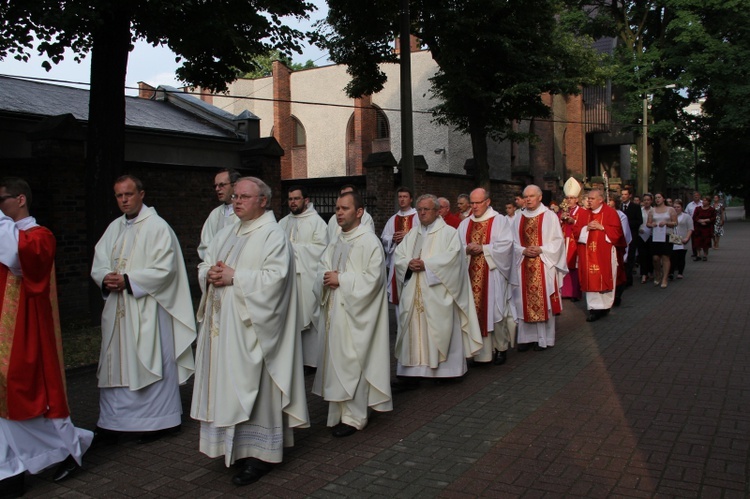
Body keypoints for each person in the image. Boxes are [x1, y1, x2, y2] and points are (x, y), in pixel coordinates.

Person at [191, 177, 309, 486]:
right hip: (224, 331)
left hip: (254, 334)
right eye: (235, 197)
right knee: (227, 387)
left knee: (256, 391)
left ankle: (259, 455)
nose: (236, 201)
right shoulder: (228, 232)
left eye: (244, 197)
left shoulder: (273, 236)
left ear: (263, 201)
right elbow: (205, 263)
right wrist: (210, 273)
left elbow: (276, 281)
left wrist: (234, 277)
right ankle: (235, 448)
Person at [0, 178, 93, 496]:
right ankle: (9, 471)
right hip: (4, 331)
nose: (1, 206)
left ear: (21, 199)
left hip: (25, 332)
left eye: (3, 200)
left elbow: (16, 258)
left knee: (21, 396)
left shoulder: (40, 235)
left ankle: (69, 446)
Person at [91, 175, 196, 445]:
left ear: (141, 194)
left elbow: (166, 269)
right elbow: (99, 260)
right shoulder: (114, 227)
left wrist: (128, 280)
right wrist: (105, 278)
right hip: (118, 309)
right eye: (119, 196)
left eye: (128, 194)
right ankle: (114, 422)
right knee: (118, 362)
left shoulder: (158, 227)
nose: (124, 200)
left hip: (148, 307)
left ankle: (161, 420)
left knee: (151, 360)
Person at [314, 191, 392, 438]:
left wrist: (342, 280)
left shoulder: (369, 242)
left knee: (354, 361)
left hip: (356, 316)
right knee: (338, 363)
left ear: (359, 212)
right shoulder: (337, 240)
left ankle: (356, 416)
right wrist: (325, 278)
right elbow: (322, 268)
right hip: (334, 313)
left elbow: (374, 280)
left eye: (344, 208)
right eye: (337, 208)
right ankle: (338, 413)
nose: (338, 213)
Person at [392, 195, 483, 387]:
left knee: (440, 328)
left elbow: (454, 260)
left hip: (438, 293)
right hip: (414, 293)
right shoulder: (412, 234)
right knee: (412, 331)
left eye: (426, 209)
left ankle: (446, 371)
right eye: (419, 210)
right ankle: (411, 373)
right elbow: (399, 257)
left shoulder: (449, 233)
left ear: (436, 211)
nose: (422, 213)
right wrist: (408, 263)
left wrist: (427, 265)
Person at [458, 188, 514, 365]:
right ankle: (477, 351)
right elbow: (455, 247)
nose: (474, 206)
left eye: (477, 202)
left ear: (487, 202)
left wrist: (484, 248)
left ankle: (500, 348)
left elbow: (506, 245)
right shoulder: (465, 224)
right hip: (470, 272)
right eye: (472, 203)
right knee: (473, 313)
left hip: (492, 273)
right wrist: (466, 249)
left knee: (496, 312)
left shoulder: (500, 221)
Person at [510, 185, 567, 351]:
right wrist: (523, 250)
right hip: (523, 265)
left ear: (540, 197)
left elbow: (558, 242)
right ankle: (526, 338)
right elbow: (511, 242)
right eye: (525, 196)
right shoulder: (518, 217)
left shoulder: (549, 216)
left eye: (531, 196)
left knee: (544, 301)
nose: (528, 199)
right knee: (522, 302)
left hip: (544, 265)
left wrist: (542, 249)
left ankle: (543, 339)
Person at [278, 186, 328, 369]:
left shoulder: (317, 223)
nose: (293, 202)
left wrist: (293, 249)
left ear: (306, 200)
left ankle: (312, 361)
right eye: (290, 198)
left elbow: (321, 250)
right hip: (288, 280)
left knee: (310, 318)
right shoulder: (282, 223)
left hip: (307, 278)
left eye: (296, 198)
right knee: (290, 318)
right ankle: (293, 359)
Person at [573, 188, 626, 322]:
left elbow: (617, 233)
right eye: (588, 198)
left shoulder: (610, 213)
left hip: (605, 253)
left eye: (592, 198)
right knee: (591, 279)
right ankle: (593, 308)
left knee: (605, 276)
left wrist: (602, 227)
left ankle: (605, 306)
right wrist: (586, 228)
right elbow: (576, 231)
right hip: (588, 254)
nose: (589, 201)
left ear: (600, 199)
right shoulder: (584, 214)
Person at [381, 187, 417, 308]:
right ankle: (399, 327)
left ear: (411, 199)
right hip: (397, 262)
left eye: (405, 197)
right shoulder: (393, 219)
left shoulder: (417, 217)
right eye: (400, 197)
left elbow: (423, 235)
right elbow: (384, 237)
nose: (402, 200)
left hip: (413, 260)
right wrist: (392, 239)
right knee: (398, 297)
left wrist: (408, 235)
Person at [197, 168, 240, 261]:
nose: (217, 189)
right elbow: (205, 245)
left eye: (222, 185)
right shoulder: (215, 214)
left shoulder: (245, 212)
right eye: (215, 186)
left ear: (235, 185)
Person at [558, 177, 584, 302]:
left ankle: (574, 293)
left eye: (572, 198)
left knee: (574, 267)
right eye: (567, 198)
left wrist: (573, 221)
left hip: (575, 242)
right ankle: (564, 291)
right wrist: (560, 219)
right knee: (563, 266)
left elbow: (584, 225)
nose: (569, 200)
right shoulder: (562, 211)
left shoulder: (582, 212)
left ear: (577, 199)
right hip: (563, 242)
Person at [646, 193, 677, 288]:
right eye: (655, 198)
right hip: (655, 236)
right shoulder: (652, 210)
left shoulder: (670, 209)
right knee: (655, 258)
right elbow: (648, 223)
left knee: (665, 257)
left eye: (659, 197)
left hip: (666, 235)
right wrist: (652, 225)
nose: (657, 199)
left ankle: (664, 278)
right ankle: (658, 274)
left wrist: (667, 223)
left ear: (663, 199)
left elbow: (675, 222)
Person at [609, 199, 632, 306]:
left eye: (611, 205)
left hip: (617, 247)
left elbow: (624, 233)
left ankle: (617, 294)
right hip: (606, 247)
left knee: (618, 272)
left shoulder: (621, 216)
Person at [619, 187, 643, 287]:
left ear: (630, 195)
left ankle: (628, 279)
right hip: (620, 236)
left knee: (630, 258)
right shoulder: (619, 207)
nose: (623, 196)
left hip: (631, 236)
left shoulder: (635, 207)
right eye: (622, 194)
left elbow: (639, 221)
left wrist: (626, 223)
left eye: (625, 194)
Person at [669, 199, 693, 280]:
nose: (676, 208)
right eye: (674, 207)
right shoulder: (670, 216)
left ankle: (680, 272)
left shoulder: (687, 217)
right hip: (673, 238)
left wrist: (687, 238)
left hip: (683, 239)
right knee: (672, 256)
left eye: (678, 207)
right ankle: (671, 272)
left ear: (682, 208)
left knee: (681, 257)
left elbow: (690, 228)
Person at [692, 196, 716, 261]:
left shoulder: (711, 209)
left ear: (709, 202)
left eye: (705, 200)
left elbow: (713, 218)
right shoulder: (697, 209)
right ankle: (698, 254)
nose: (704, 202)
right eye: (703, 200)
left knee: (706, 242)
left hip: (707, 228)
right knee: (697, 242)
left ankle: (705, 255)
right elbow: (694, 217)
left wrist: (706, 220)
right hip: (698, 228)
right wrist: (700, 221)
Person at [637, 193, 654, 284]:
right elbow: (638, 221)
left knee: (651, 254)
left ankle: (651, 271)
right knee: (642, 254)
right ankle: (643, 273)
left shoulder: (654, 210)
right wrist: (639, 229)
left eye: (648, 200)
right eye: (645, 200)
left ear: (651, 201)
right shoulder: (640, 210)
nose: (646, 202)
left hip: (652, 234)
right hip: (641, 234)